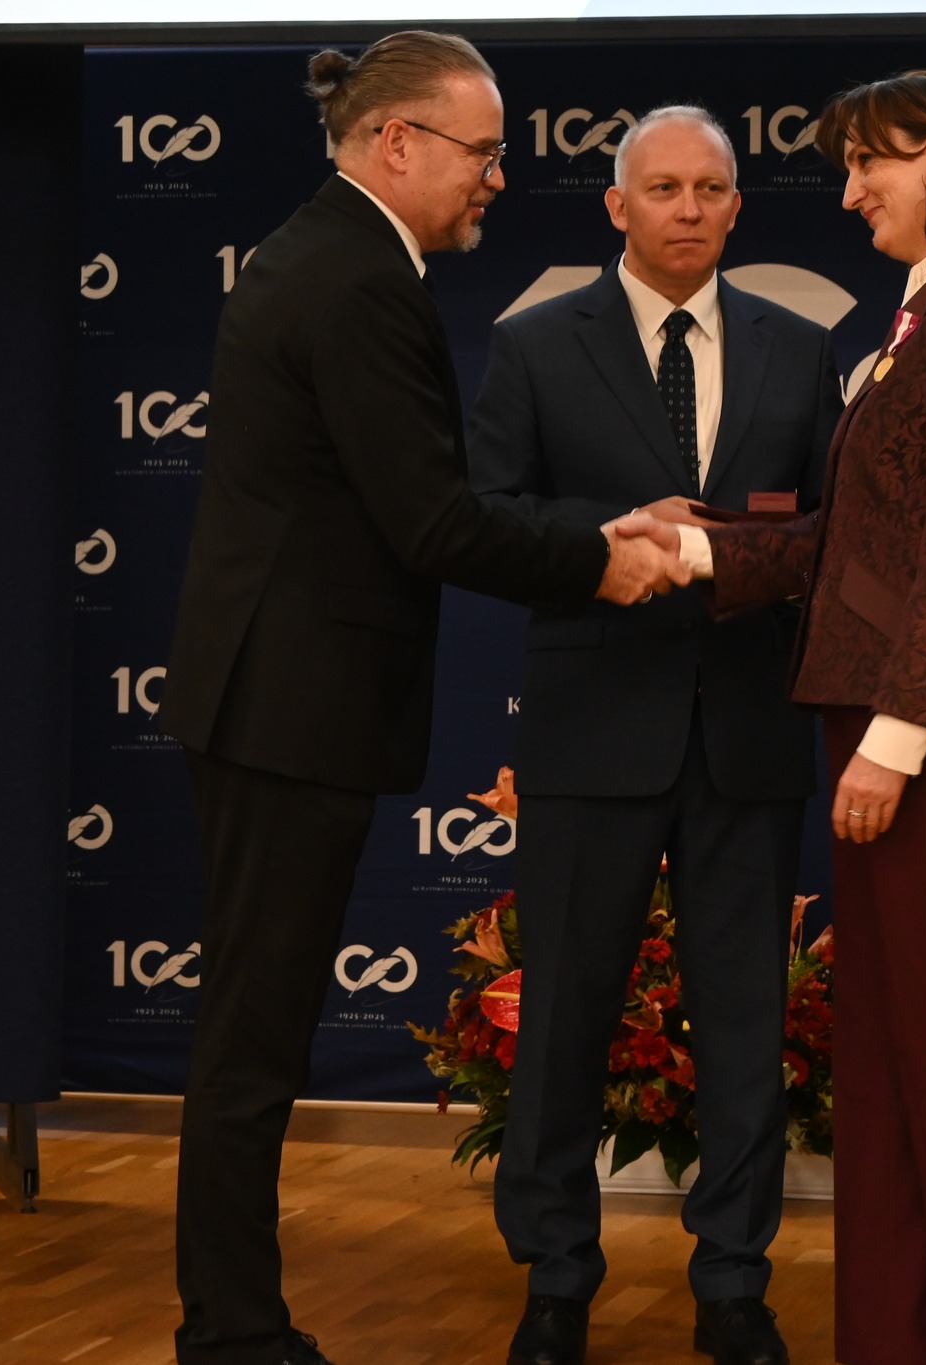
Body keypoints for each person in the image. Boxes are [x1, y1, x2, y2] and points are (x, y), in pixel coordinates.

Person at [154, 33, 686, 1365]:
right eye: (482, 151)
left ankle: (232, 1320)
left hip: (281, 701)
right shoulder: (350, 277)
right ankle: (232, 1334)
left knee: (254, 1031)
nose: (497, 178)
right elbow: (433, 521)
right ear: (396, 142)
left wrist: (588, 537)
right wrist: (602, 559)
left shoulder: (335, 257)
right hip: (288, 708)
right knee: (254, 1038)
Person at [638, 70, 926, 1365]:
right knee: (890, 1067)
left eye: (870, 164)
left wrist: (898, 736)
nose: (849, 194)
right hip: (889, 723)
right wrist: (694, 550)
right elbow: (859, 543)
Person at [466, 106, 842, 1365]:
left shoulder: (800, 348)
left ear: (738, 206)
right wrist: (610, 535)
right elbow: (486, 519)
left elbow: (833, 536)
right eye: (663, 188)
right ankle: (554, 1281)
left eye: (710, 188)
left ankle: (733, 1281)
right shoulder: (532, 345)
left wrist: (729, 554)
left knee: (743, 1027)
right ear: (614, 206)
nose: (687, 209)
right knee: (562, 1022)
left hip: (747, 734)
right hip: (592, 732)